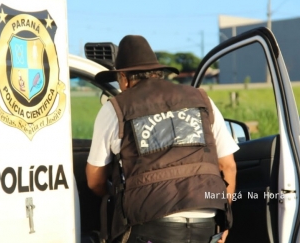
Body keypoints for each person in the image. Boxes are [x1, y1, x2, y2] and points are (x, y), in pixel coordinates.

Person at [86, 35, 238, 243]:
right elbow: (228, 166)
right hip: (207, 222)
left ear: (123, 77)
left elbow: (95, 179)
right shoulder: (202, 100)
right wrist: (224, 222)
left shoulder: (116, 108)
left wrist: (115, 197)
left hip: (151, 223)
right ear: (158, 73)